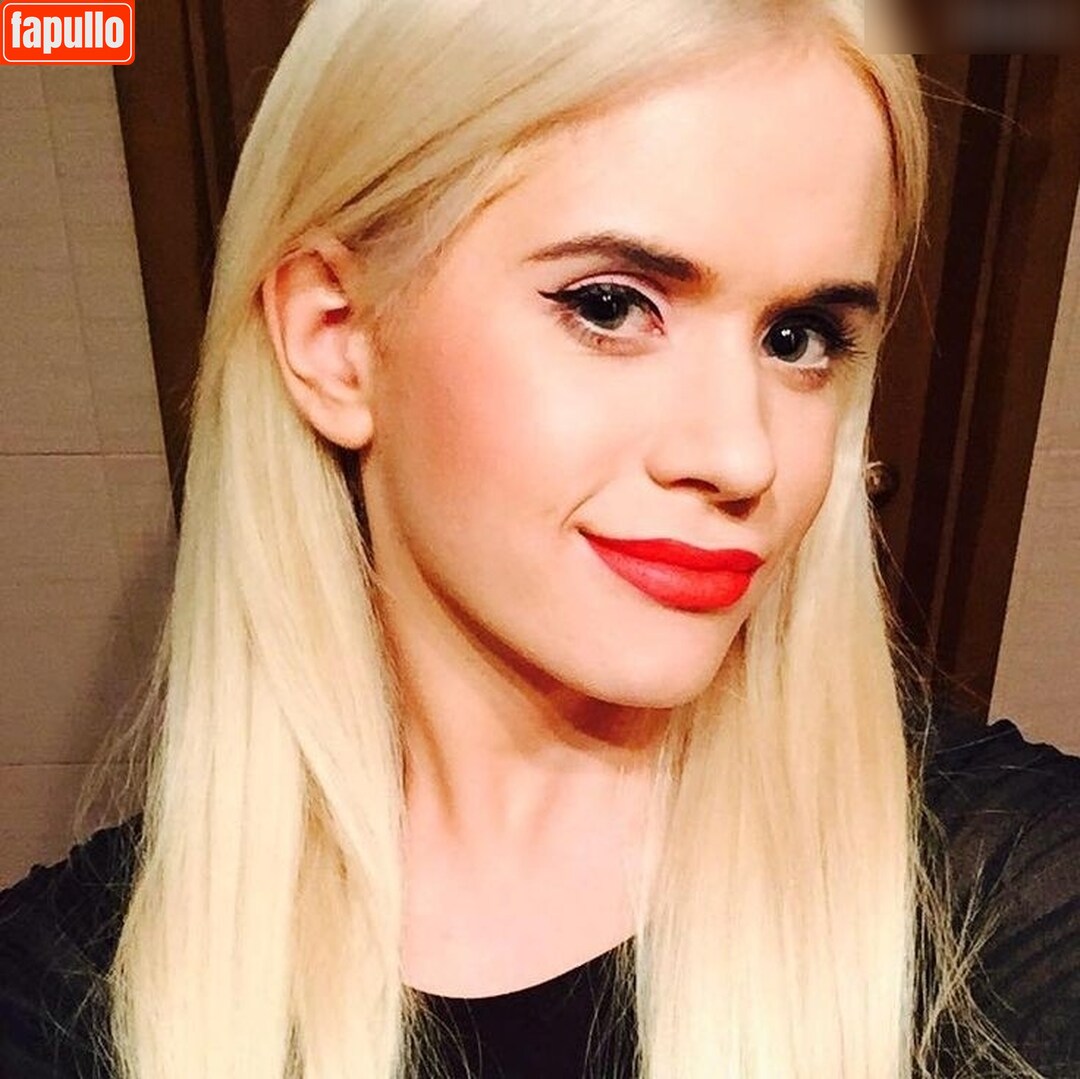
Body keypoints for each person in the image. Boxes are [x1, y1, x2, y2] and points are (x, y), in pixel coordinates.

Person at [2, 0, 1078, 1076]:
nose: (743, 455)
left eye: (798, 338)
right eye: (610, 306)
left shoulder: (1014, 886)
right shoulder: (62, 995)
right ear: (337, 338)